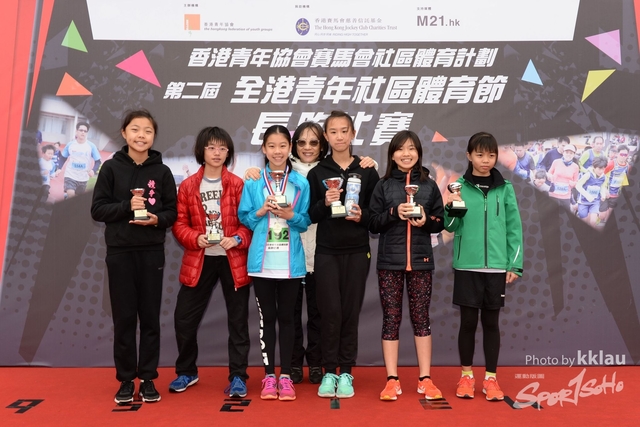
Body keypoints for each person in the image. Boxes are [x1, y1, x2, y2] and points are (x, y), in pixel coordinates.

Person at [244, 122, 378, 385]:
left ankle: (316, 363)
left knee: (320, 313)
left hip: (321, 253)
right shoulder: (283, 172)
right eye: (302, 142)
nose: (307, 147)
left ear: (322, 144)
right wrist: (253, 171)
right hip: (288, 256)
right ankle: (293, 364)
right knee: (290, 314)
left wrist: (367, 162)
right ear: (292, 146)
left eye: (314, 142)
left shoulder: (324, 172)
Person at [91, 110, 177, 404]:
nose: (142, 135)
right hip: (120, 253)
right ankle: (126, 380)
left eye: (148, 131)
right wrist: (127, 206)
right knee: (124, 318)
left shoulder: (162, 172)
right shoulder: (110, 168)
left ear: (154, 136)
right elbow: (98, 210)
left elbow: (172, 212)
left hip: (152, 252)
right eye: (136, 129)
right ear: (124, 133)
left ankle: (148, 378)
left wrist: (156, 219)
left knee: (150, 318)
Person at [170, 127, 252, 398]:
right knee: (183, 319)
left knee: (238, 322)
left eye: (222, 148)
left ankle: (238, 376)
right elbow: (179, 223)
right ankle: (187, 372)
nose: (217, 153)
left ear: (229, 153)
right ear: (201, 151)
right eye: (211, 147)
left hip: (233, 260)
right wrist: (195, 238)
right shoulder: (188, 186)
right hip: (199, 259)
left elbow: (249, 222)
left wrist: (237, 239)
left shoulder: (237, 184)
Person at [444, 132, 523, 401]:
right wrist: (452, 208)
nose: (485, 160)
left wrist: (514, 264)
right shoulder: (457, 186)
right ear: (469, 156)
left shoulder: (505, 188)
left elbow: (514, 228)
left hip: (497, 267)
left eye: (490, 155)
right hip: (467, 265)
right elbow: (450, 226)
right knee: (467, 322)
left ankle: (491, 379)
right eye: (479, 154)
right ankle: (466, 376)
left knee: (491, 323)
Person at [307, 110, 379, 399]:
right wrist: (325, 203)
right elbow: (310, 215)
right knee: (330, 313)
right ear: (326, 136)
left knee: (349, 313)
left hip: (357, 252)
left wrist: (362, 217)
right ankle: (328, 372)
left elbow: (375, 217)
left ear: (353, 134)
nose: (339, 136)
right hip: (326, 252)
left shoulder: (367, 170)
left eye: (344, 131)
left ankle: (346, 371)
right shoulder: (317, 172)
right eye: (333, 131)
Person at [368, 130, 445, 401]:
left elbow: (440, 221)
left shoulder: (429, 185)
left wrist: (426, 220)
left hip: (421, 262)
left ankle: (425, 379)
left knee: (421, 318)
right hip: (390, 262)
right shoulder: (383, 185)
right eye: (400, 149)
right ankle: (392, 380)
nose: (406, 153)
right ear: (392, 154)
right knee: (391, 318)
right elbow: (372, 223)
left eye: (412, 148)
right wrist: (393, 213)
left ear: (419, 153)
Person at [238, 124, 310, 401]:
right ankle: (269, 376)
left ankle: (287, 376)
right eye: (271, 146)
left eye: (282, 146)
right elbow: (245, 218)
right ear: (264, 149)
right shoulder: (254, 182)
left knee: (289, 320)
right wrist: (261, 210)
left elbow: (304, 222)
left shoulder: (300, 183)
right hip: (262, 264)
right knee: (266, 319)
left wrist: (291, 215)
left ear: (289, 148)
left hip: (290, 265)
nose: (277, 151)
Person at [60, 121, 102, 198]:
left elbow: (98, 161)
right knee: (71, 194)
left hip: (83, 177)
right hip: (70, 175)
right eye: (81, 130)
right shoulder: (70, 144)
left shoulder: (91, 146)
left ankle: (67, 197)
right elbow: (63, 158)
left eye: (85, 131)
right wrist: (59, 168)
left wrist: (93, 170)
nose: (83, 132)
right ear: (76, 131)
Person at [599, 144, 631, 225]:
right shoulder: (611, 164)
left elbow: (626, 181)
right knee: (602, 215)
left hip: (616, 195)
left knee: (609, 217)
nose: (623, 156)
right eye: (621, 154)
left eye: (625, 155)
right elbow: (600, 176)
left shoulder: (628, 167)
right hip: (605, 192)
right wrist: (604, 189)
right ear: (617, 154)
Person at [575, 157, 608, 226]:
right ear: (594, 167)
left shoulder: (604, 177)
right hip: (583, 201)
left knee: (593, 222)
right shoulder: (588, 175)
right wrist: (588, 196)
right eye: (599, 169)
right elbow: (578, 186)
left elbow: (602, 187)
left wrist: (603, 195)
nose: (601, 171)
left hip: (595, 201)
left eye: (603, 169)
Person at [548, 143, 579, 210]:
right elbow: (549, 173)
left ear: (574, 155)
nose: (568, 154)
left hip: (566, 196)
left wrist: (573, 184)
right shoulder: (556, 162)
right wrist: (550, 177)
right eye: (567, 152)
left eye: (571, 153)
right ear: (563, 153)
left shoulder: (575, 167)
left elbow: (576, 181)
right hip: (553, 194)